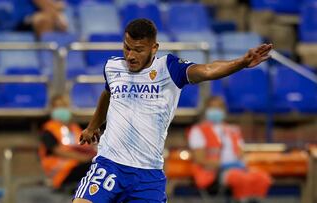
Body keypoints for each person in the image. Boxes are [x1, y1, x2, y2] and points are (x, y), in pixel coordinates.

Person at [74, 18, 273, 203]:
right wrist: (92, 127)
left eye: (138, 50)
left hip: (148, 175)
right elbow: (108, 94)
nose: (130, 56)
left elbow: (208, 70)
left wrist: (241, 63)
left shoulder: (169, 69)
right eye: (127, 48)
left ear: (154, 48)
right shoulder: (113, 67)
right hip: (111, 164)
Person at [187, 96, 271, 203]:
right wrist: (223, 165)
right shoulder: (198, 131)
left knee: (262, 178)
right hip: (214, 173)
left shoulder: (233, 130)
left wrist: (240, 163)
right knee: (240, 178)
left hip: (238, 169)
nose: (216, 110)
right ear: (206, 110)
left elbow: (241, 153)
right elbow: (199, 159)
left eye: (219, 107)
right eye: (212, 107)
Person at [39, 94, 96, 192]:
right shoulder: (49, 129)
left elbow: (86, 146)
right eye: (58, 106)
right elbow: (58, 151)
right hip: (62, 173)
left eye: (64, 106)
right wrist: (85, 158)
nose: (62, 109)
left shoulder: (74, 128)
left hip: (77, 166)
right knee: (94, 165)